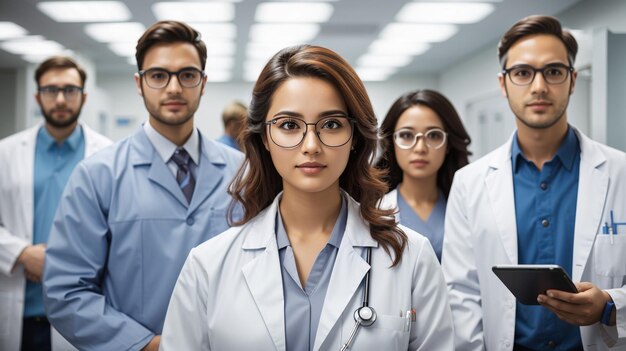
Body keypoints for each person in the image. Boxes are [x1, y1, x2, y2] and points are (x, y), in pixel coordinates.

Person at [160, 44, 454, 351]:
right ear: (265, 138)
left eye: (331, 125)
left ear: (354, 136)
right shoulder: (208, 265)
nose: (311, 145)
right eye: (289, 125)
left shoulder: (412, 258)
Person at [42, 21, 243, 351]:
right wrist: (146, 345)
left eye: (187, 75)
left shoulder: (243, 173)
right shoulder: (97, 175)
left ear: (203, 83)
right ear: (139, 82)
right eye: (159, 75)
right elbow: (66, 291)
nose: (174, 87)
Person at [442, 15, 626, 351]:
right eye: (523, 73)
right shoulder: (469, 183)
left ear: (572, 80)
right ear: (503, 83)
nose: (539, 86)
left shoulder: (621, 173)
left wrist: (611, 305)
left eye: (553, 72)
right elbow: (461, 295)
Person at [0, 56, 111, 351]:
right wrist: (22, 253)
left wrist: (57, 262)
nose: (60, 99)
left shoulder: (109, 155)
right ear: (37, 96)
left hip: (84, 315)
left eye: (70, 90)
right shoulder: (6, 152)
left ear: (84, 97)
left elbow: (117, 230)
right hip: (22, 313)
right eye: (51, 90)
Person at [377, 89, 471, 262]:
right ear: (391, 142)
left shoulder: (467, 206)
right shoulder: (375, 212)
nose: (420, 148)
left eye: (434, 135)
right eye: (406, 135)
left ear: (448, 144)